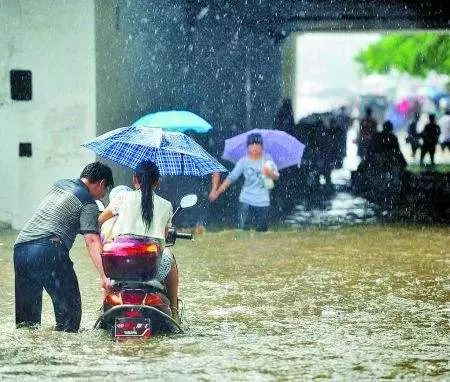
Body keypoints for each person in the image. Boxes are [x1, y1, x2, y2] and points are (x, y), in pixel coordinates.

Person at [13, 162, 114, 332]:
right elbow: (91, 240)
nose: (101, 197)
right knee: (70, 317)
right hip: (48, 250)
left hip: (21, 248)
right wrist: (105, 276)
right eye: (105, 191)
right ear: (101, 183)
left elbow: (63, 217)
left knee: (26, 324)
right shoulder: (88, 202)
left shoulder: (59, 185)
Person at [97, 160, 180, 321]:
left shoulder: (122, 197)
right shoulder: (166, 205)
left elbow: (100, 220)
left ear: (135, 179)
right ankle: (174, 310)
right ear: (157, 181)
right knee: (170, 255)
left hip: (120, 267)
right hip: (149, 270)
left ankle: (103, 310)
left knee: (107, 271)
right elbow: (162, 241)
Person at [209, 133, 279, 232]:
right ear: (248, 147)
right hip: (246, 199)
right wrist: (217, 192)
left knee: (262, 232)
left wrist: (270, 173)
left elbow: (276, 176)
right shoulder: (244, 161)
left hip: (263, 200)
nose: (255, 147)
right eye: (252, 145)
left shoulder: (268, 159)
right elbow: (231, 177)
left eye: (257, 145)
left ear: (262, 147)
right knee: (243, 231)